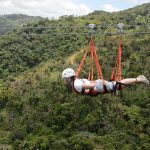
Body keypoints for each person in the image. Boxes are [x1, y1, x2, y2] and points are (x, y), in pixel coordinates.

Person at [62, 68, 149, 95]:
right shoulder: (77, 82)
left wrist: (100, 82)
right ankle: (139, 79)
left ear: (69, 78)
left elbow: (91, 87)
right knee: (119, 85)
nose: (65, 81)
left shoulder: (76, 84)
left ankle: (140, 79)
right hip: (99, 86)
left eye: (65, 79)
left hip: (99, 86)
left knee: (119, 84)